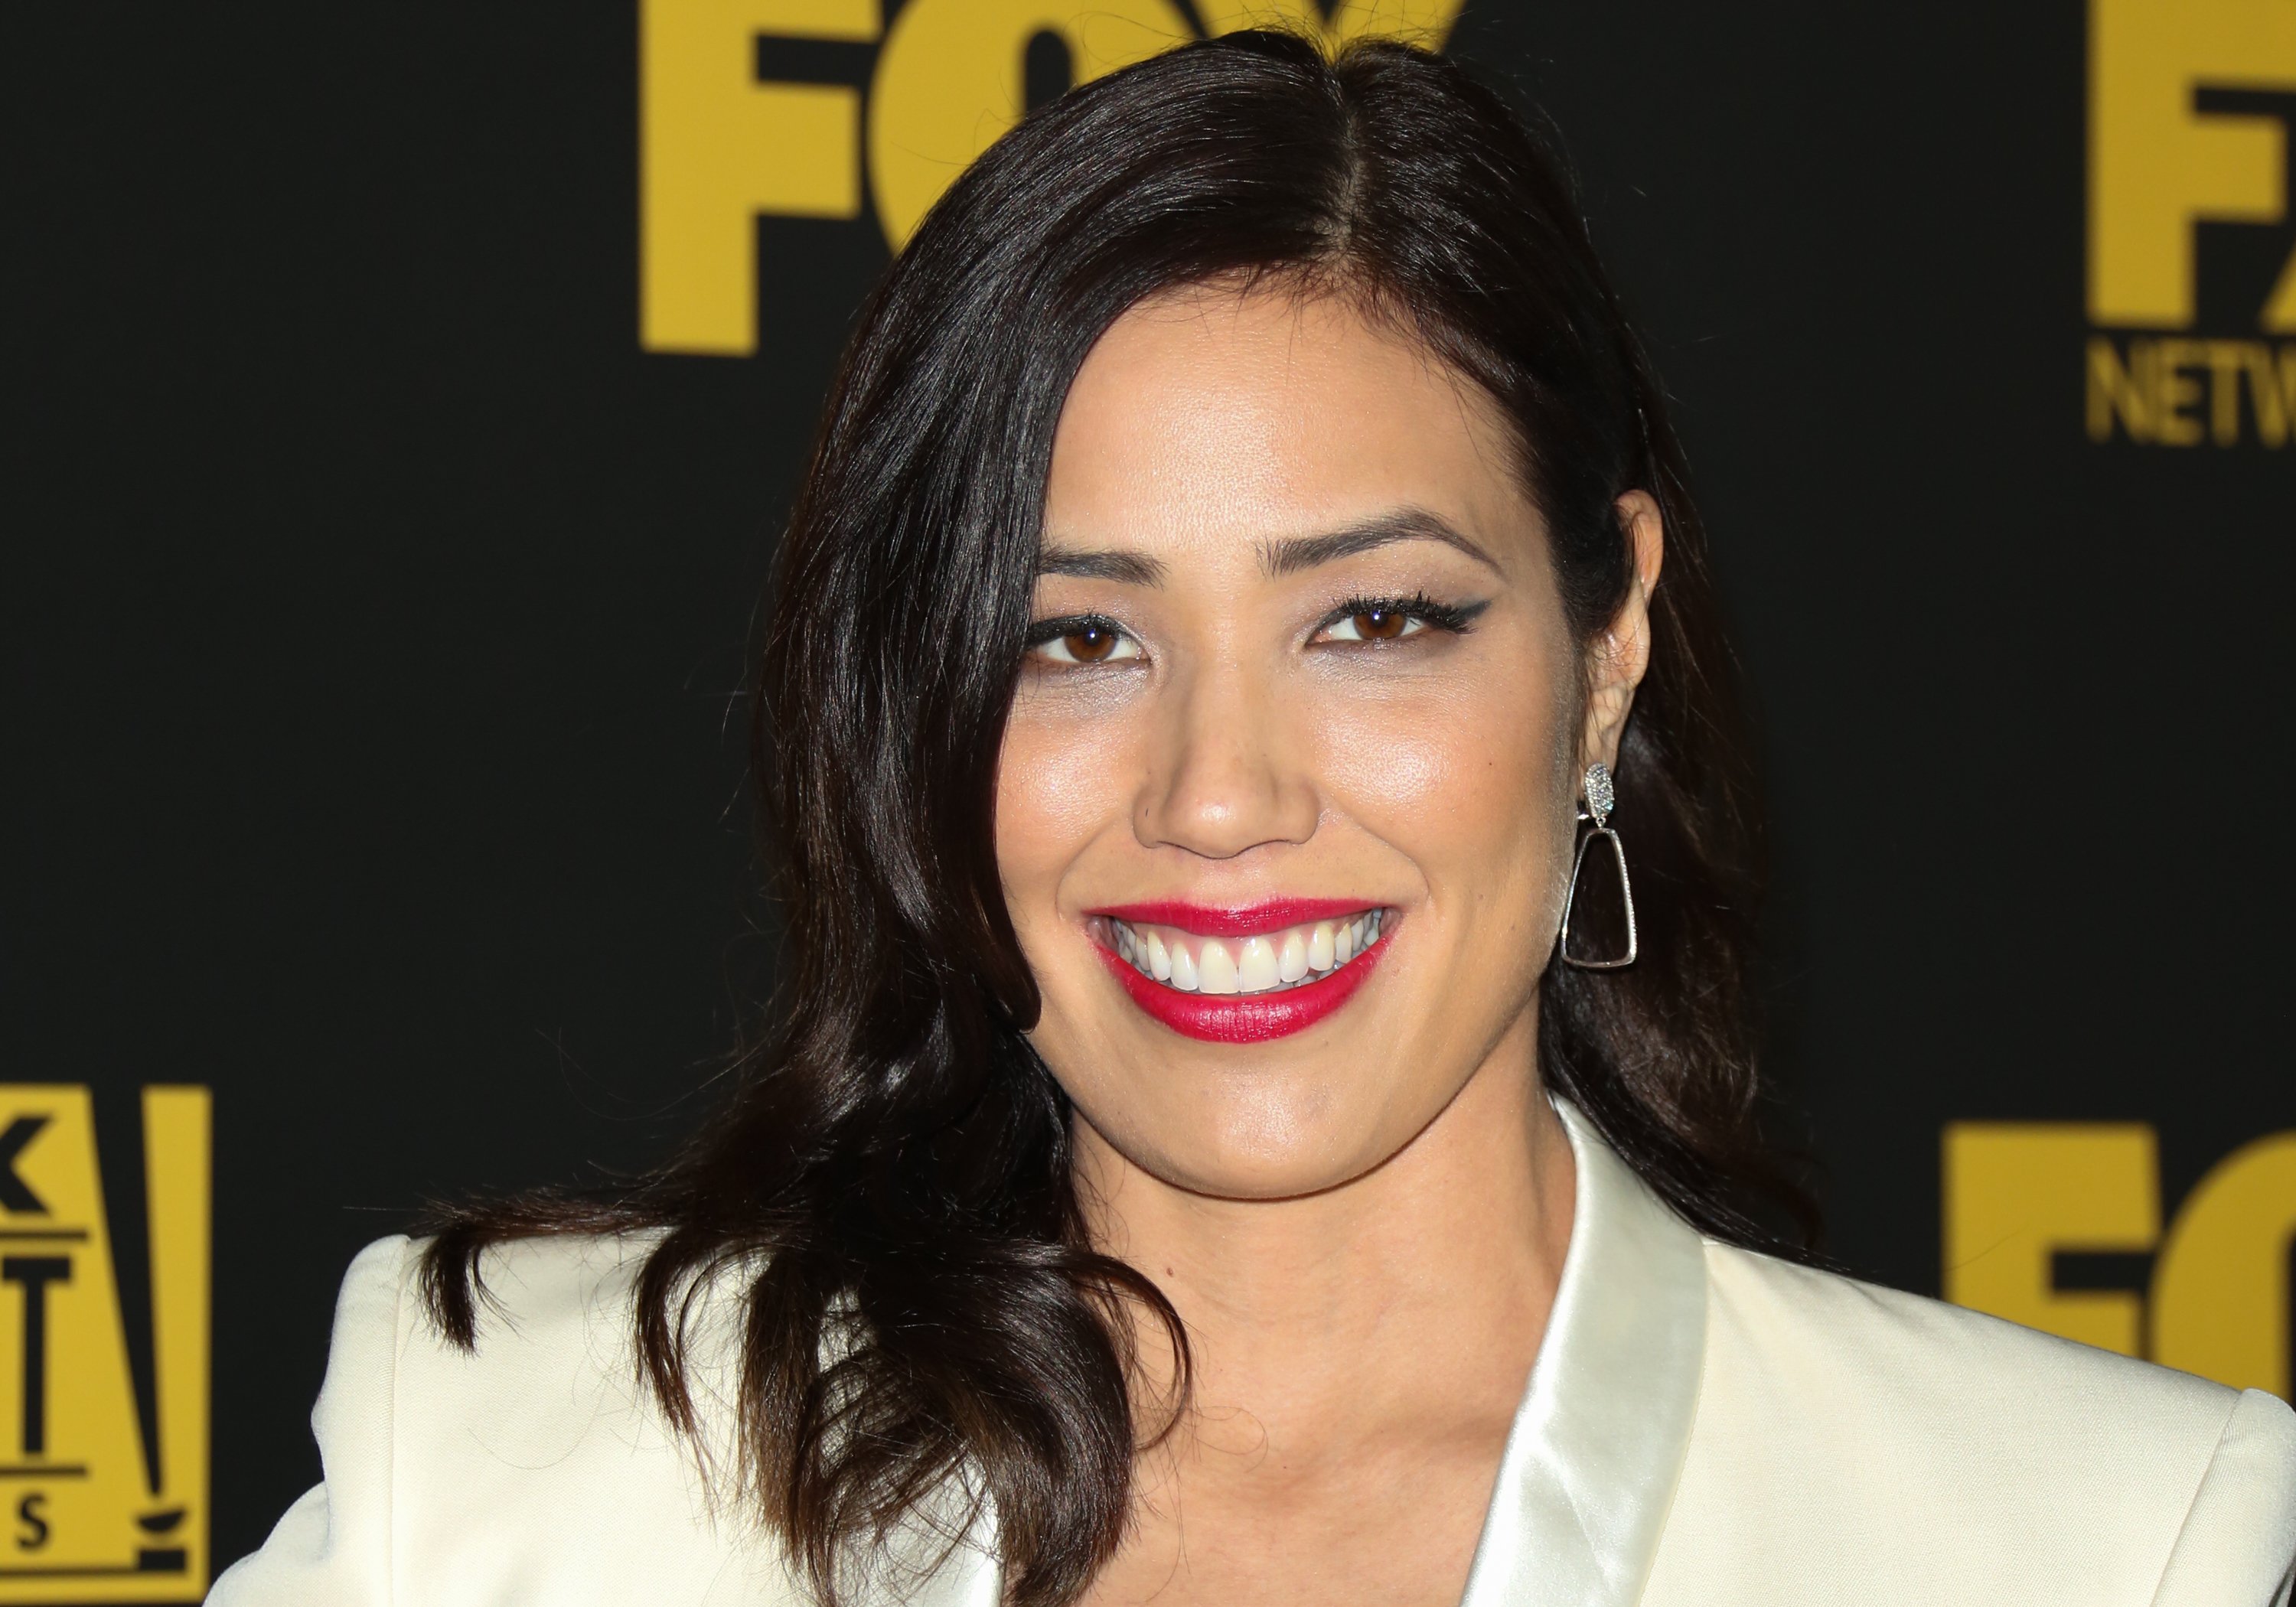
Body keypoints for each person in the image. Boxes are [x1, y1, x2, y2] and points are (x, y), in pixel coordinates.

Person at [210, 31, 2296, 1607]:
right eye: (1073, 640)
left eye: (1375, 619)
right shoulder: (509, 1481)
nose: (1220, 794)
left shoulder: (2097, 1540)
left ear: (1607, 642)